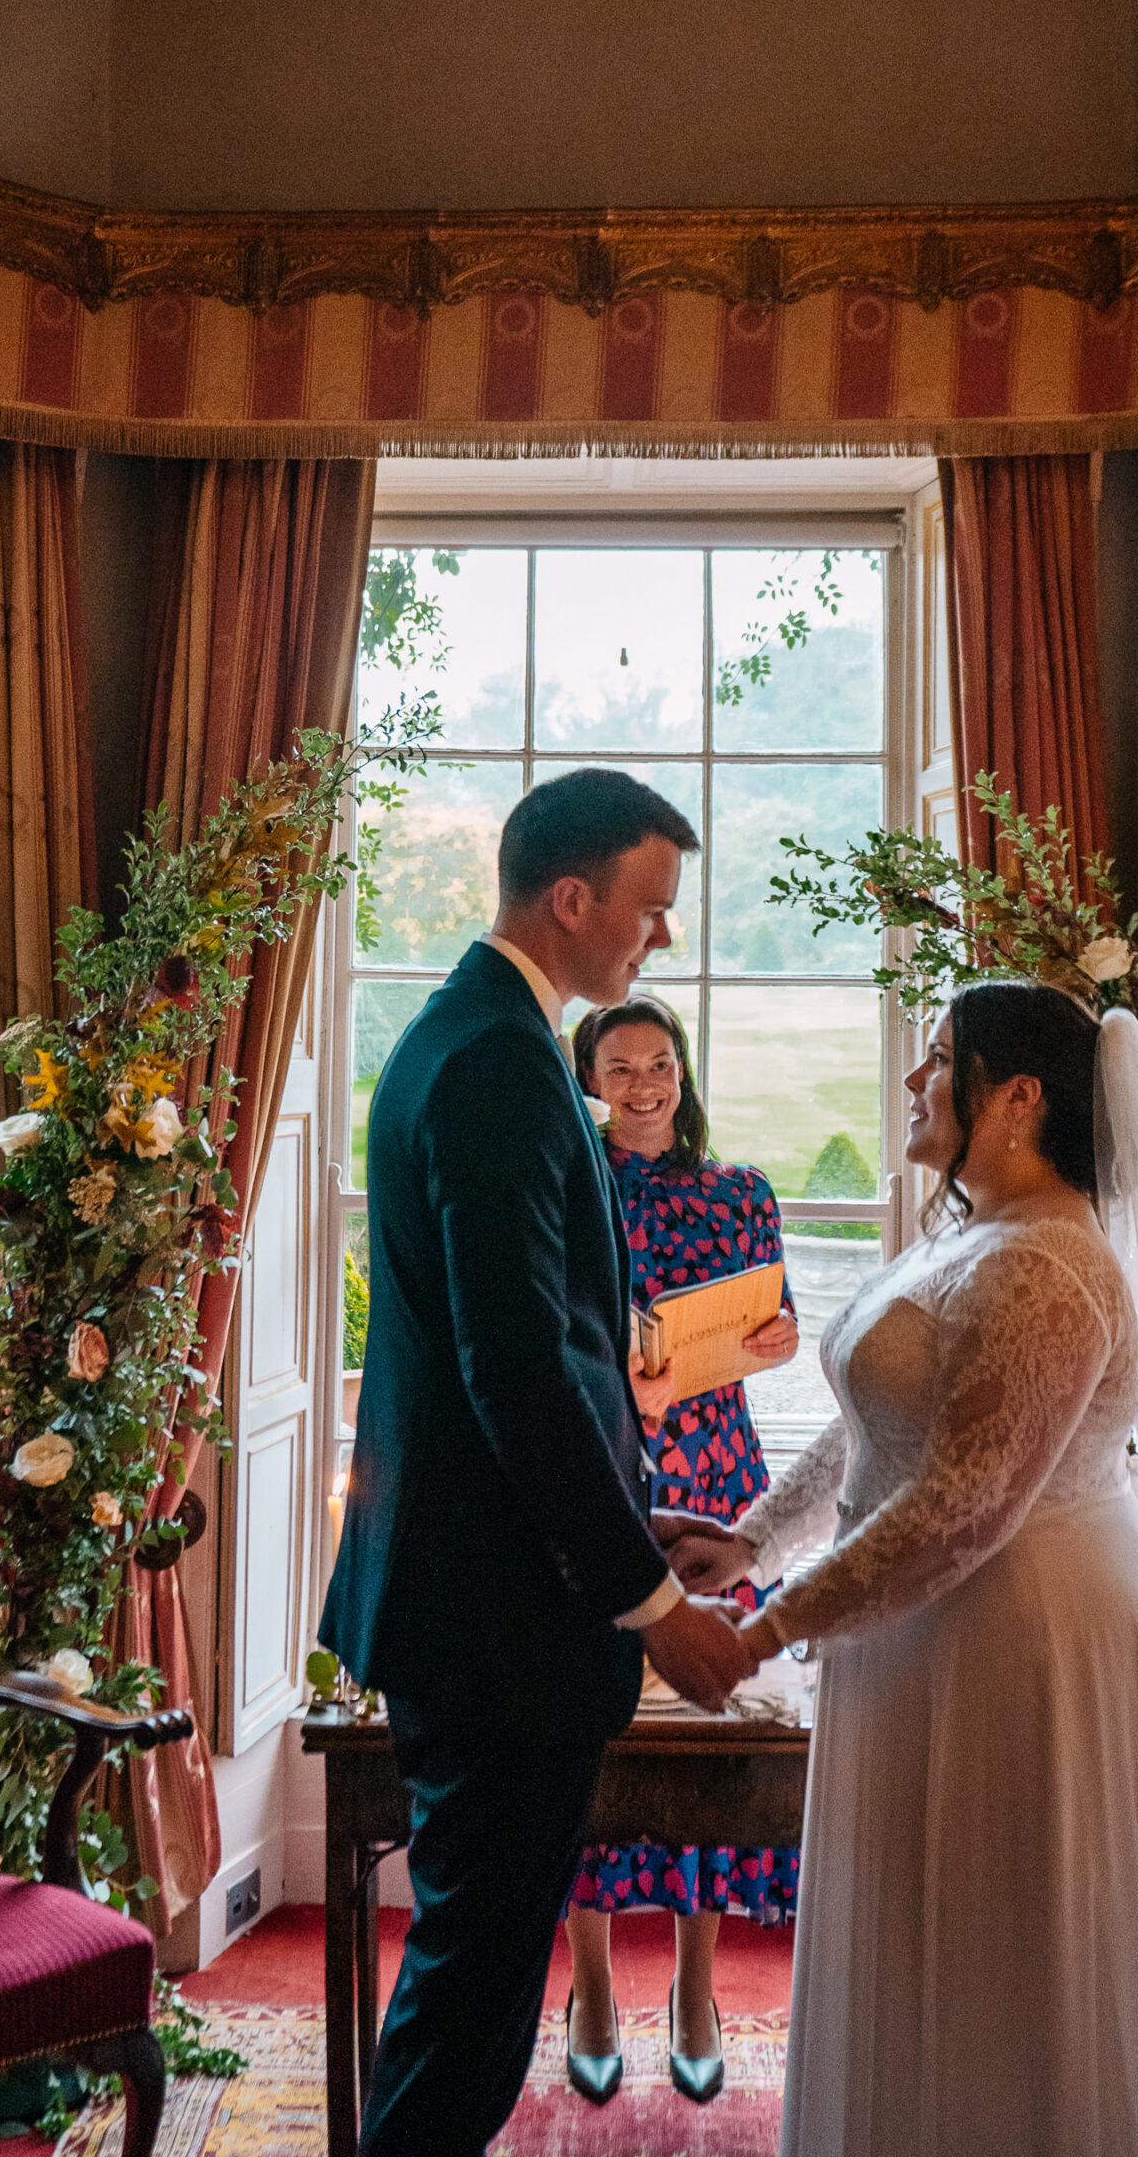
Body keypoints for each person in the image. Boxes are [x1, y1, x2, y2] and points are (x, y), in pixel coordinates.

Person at [664, 979, 1138, 2156]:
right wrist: (750, 1538)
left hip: (1024, 1642)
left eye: (939, 1057)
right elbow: (871, 1427)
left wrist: (759, 1629)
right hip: (918, 1635)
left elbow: (962, 1509)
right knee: (924, 1941)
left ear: (1016, 1098)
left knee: (1016, 1958)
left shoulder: (1049, 1268)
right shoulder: (965, 1235)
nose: (916, 1081)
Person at [320, 769, 751, 2157]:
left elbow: (545, 1357)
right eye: (647, 909)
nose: (657, 941)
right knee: (469, 2013)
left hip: (471, 1595)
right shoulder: (501, 1064)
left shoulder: (472, 1037)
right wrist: (647, 1600)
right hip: (494, 1622)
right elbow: (514, 1371)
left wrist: (645, 1501)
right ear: (571, 900)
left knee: (469, 1990)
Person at [563, 994, 800, 2107]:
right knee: (595, 1730)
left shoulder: (743, 1190)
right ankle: (595, 1988)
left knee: (710, 1726)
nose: (645, 1082)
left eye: (661, 1062)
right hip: (605, 1472)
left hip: (721, 1476)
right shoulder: (570, 1184)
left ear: (683, 1070)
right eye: (620, 1064)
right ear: (588, 1075)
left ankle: (699, 1989)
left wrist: (777, 1337)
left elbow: (776, 1323)